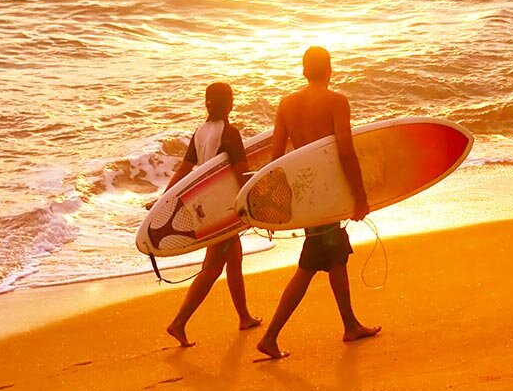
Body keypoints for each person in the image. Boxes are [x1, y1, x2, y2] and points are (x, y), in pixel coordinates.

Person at [256, 47, 380, 359]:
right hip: (328, 192)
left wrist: (270, 204)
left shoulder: (286, 104)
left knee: (335, 256)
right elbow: (346, 151)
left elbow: (275, 157)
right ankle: (270, 336)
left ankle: (350, 325)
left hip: (304, 192)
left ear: (303, 70)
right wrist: (360, 195)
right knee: (310, 264)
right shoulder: (336, 101)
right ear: (329, 70)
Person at [152, 82, 261, 346]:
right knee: (212, 269)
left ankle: (244, 316)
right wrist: (258, 192)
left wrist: (163, 200)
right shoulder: (230, 133)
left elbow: (184, 170)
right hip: (223, 208)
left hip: (205, 206)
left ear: (207, 103)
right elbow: (241, 172)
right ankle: (179, 323)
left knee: (234, 260)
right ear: (230, 104)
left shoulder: (200, 133)